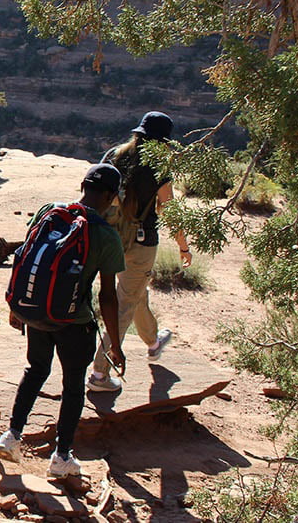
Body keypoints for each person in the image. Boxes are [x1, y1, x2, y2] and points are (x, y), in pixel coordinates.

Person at [0, 164, 127, 478]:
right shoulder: (106, 235)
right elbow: (108, 296)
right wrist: (116, 343)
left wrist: (18, 307)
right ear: (111, 196)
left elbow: (26, 259)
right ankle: (62, 456)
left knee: (36, 370)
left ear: (82, 185)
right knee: (72, 387)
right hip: (74, 322)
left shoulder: (49, 212)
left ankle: (11, 436)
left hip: (38, 314)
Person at [88, 112, 193, 392]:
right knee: (125, 303)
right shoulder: (159, 167)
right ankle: (99, 373)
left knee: (135, 294)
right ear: (163, 141)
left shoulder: (115, 155)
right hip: (140, 242)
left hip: (108, 238)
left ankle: (153, 342)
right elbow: (170, 209)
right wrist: (183, 246)